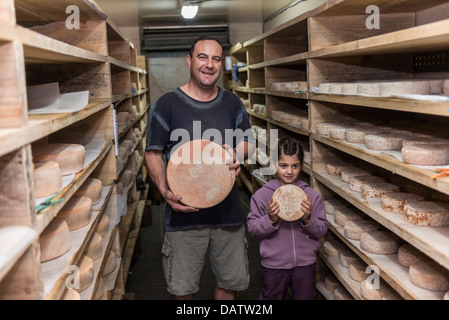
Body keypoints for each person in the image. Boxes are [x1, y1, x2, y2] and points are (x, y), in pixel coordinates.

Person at [144, 36, 255, 300]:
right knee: (182, 290)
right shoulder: (166, 104)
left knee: (228, 284)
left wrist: (237, 153)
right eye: (202, 57)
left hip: (227, 214)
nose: (210, 64)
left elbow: (249, 139)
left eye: (216, 58)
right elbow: (153, 152)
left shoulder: (233, 103)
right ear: (189, 60)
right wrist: (163, 188)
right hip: (183, 215)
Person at [247, 137, 328, 300]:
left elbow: (321, 230)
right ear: (273, 164)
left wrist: (307, 219)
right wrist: (270, 219)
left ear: (301, 166)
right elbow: (253, 229)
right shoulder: (262, 196)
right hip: (274, 265)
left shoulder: (310, 196)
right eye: (283, 165)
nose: (289, 171)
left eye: (294, 166)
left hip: (305, 265)